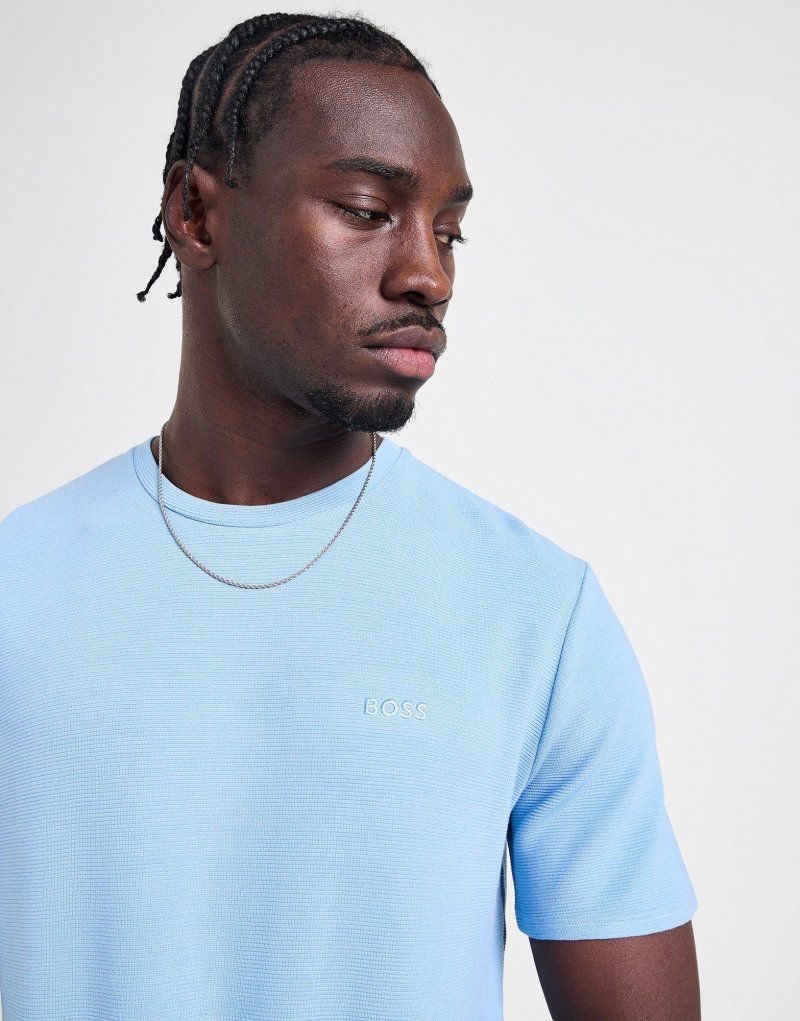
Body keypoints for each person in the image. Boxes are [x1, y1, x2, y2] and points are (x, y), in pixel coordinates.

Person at [0, 12, 700, 1020]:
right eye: (369, 210)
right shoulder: (18, 587)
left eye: (447, 231)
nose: (429, 274)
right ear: (196, 214)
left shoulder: (535, 612)